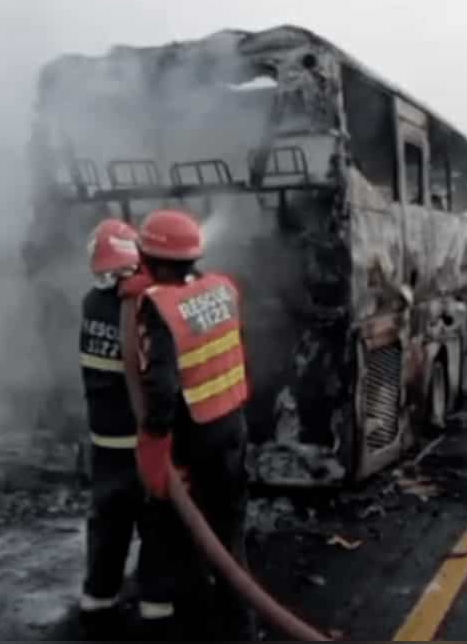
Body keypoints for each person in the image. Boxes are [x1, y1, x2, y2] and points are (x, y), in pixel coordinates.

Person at [129, 209, 256, 640]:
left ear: (151, 260)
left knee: (186, 540)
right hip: (233, 425)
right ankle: (241, 629)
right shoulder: (222, 288)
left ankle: (197, 629)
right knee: (230, 537)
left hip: (194, 438)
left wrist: (154, 445)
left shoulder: (158, 308)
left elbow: (161, 389)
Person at [77, 218, 151, 621]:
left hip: (104, 441)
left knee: (108, 521)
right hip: (141, 441)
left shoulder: (91, 302)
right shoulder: (140, 306)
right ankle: (158, 604)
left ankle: (98, 596)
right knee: (157, 522)